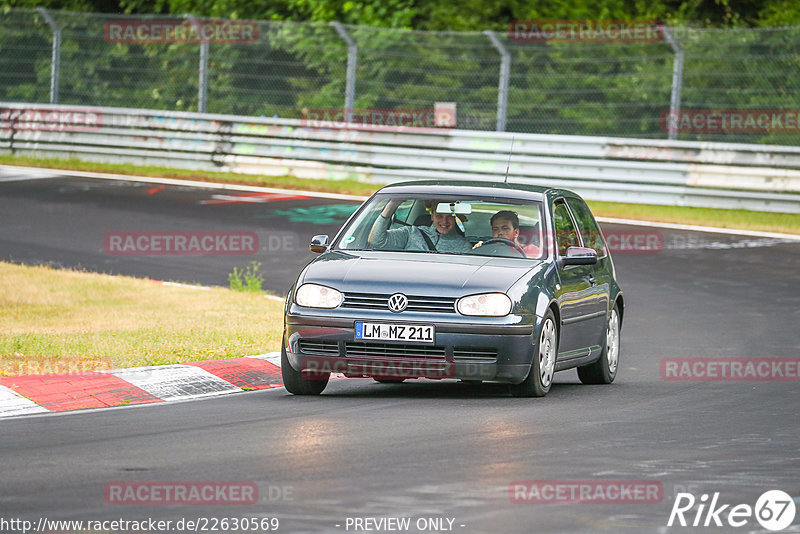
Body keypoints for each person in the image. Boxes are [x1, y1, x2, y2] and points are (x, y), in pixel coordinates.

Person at [368, 199, 473, 253]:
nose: (444, 221)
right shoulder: (411, 233)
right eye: (439, 216)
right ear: (432, 216)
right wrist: (392, 206)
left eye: (449, 216)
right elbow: (377, 241)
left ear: (455, 218)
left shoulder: (463, 246)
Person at [474, 210, 541, 257]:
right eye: (495, 229)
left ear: (516, 232)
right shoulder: (486, 249)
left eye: (505, 228)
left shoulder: (530, 249)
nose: (500, 233)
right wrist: (479, 250)